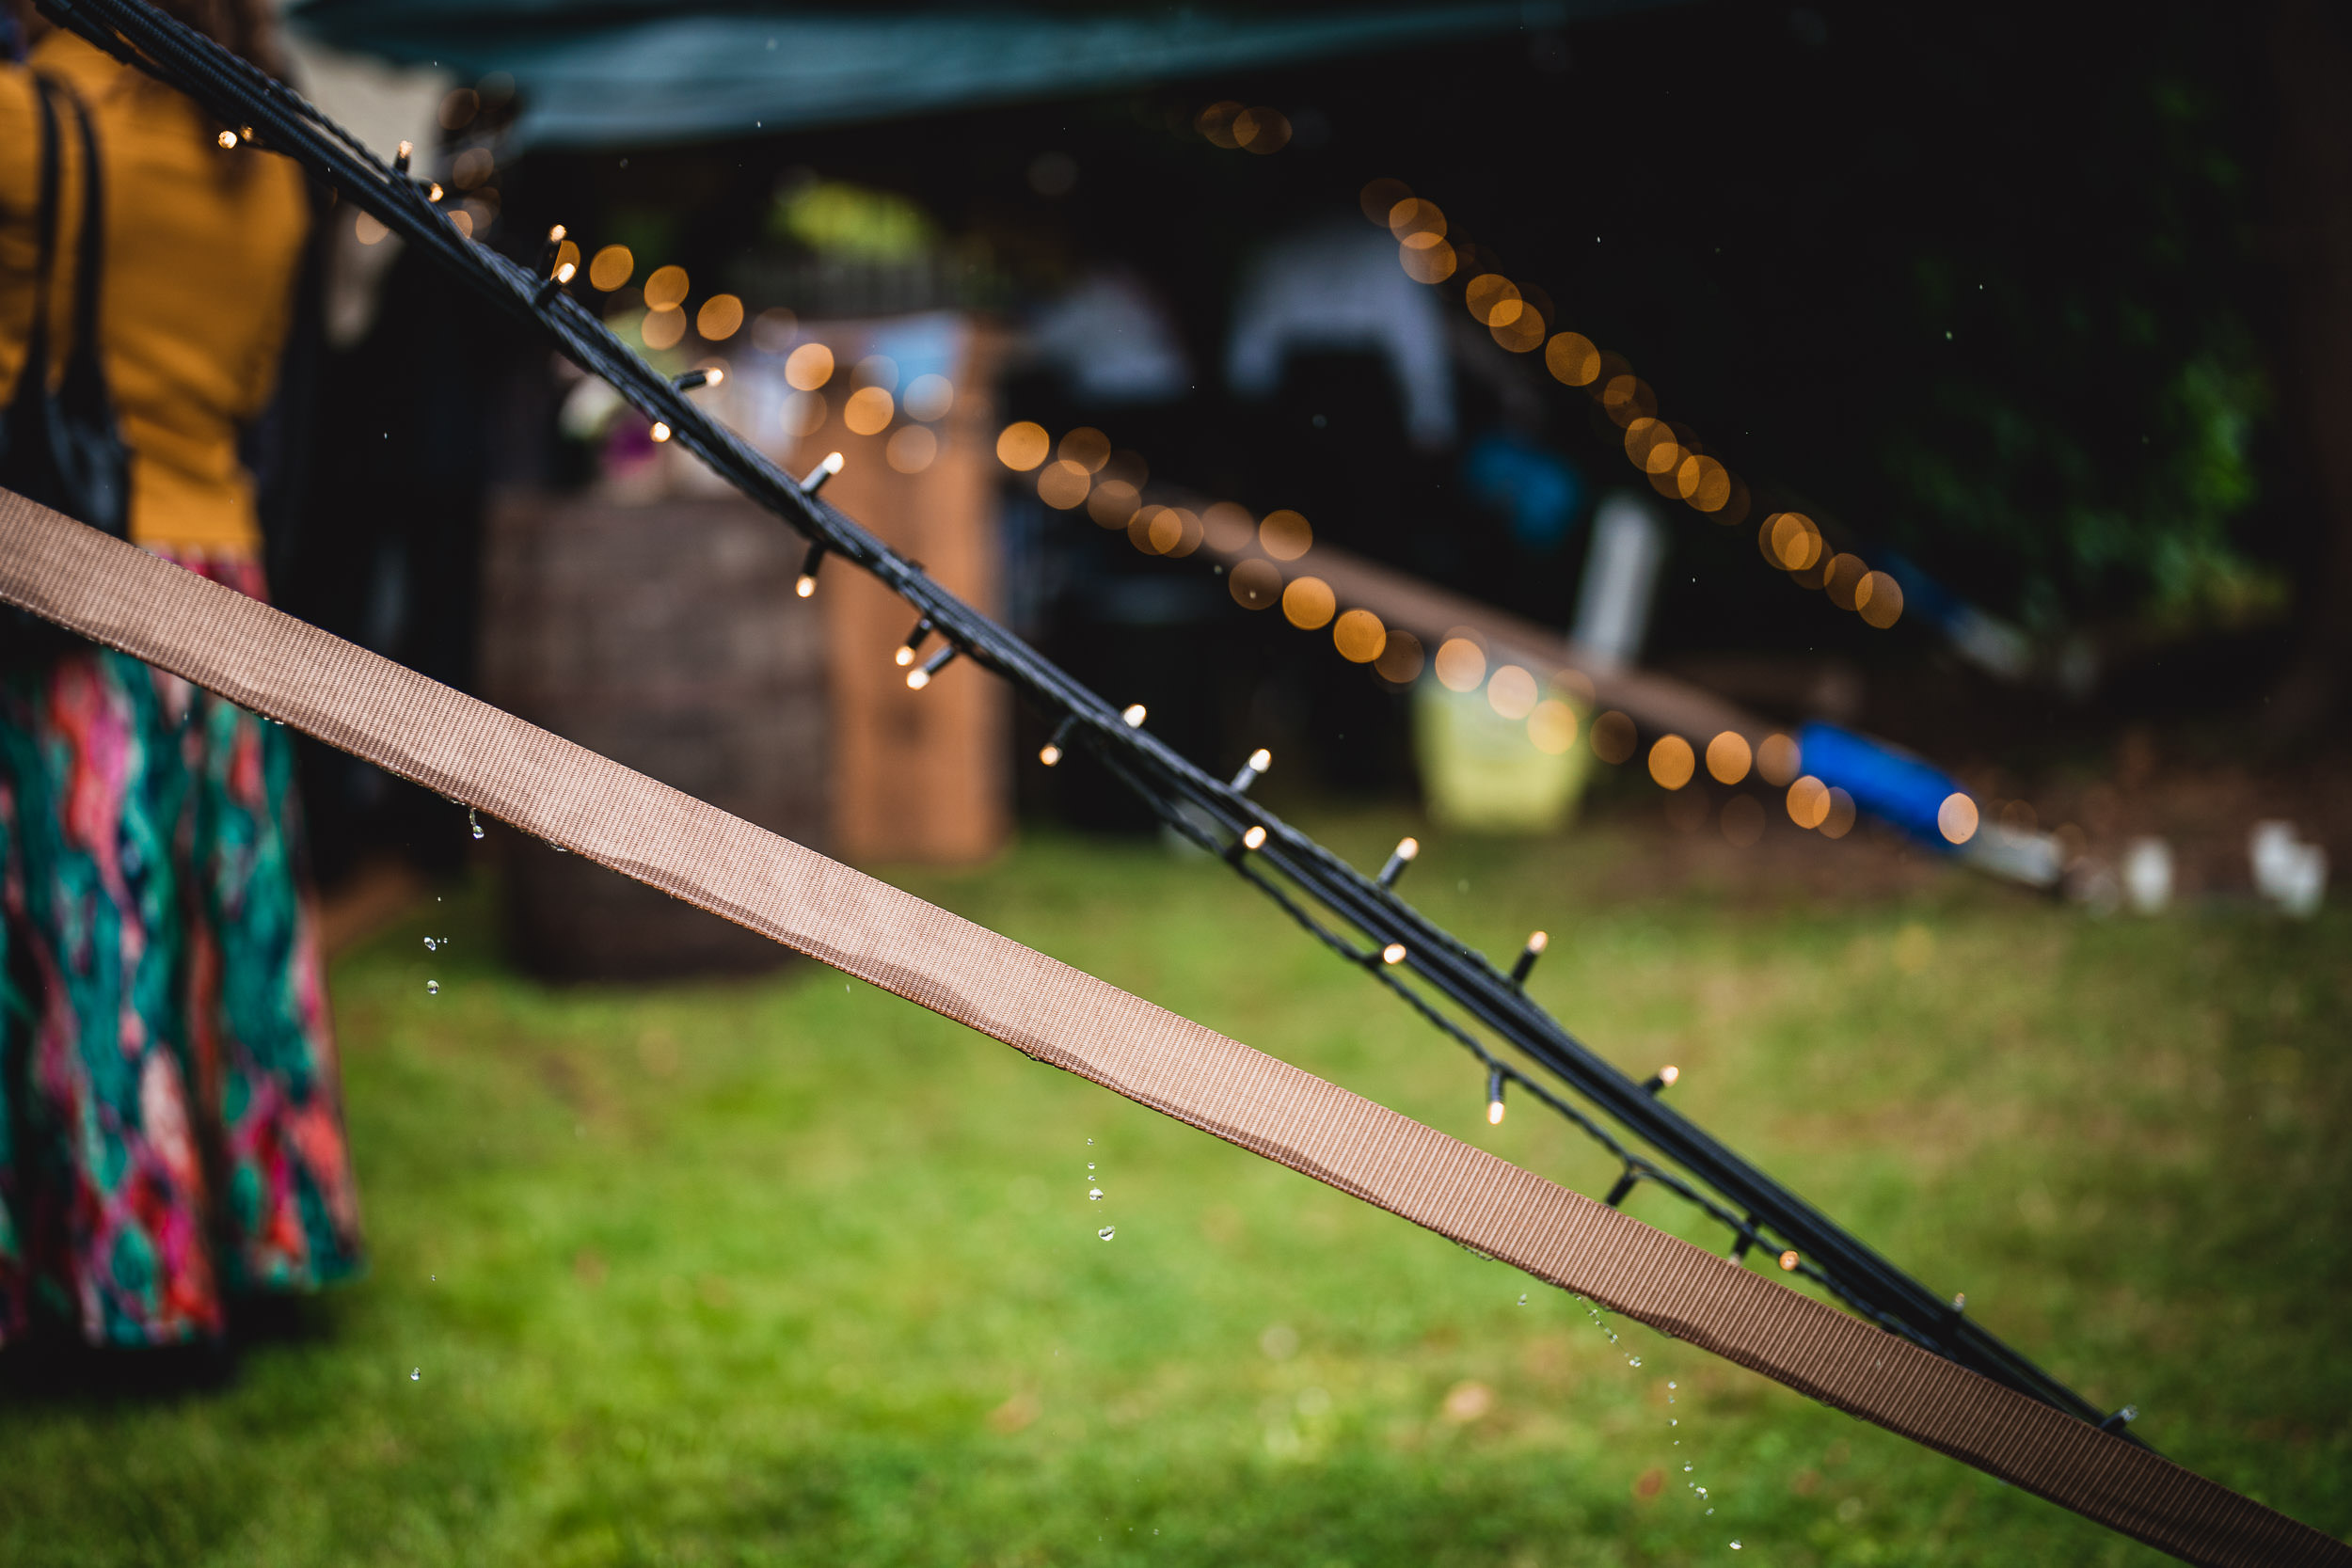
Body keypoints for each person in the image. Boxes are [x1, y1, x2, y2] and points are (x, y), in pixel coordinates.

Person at [0, 0, 362, 1354]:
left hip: (77, 569)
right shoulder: (270, 158)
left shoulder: (35, 122)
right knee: (239, 916)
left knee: (98, 916)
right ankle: (271, 1230)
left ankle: (127, 1279)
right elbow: (260, 379)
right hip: (227, 575)